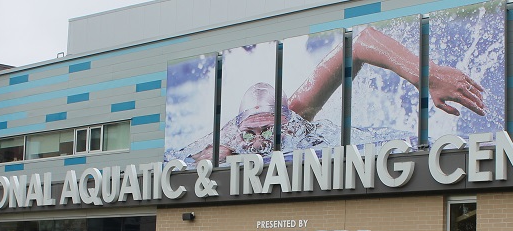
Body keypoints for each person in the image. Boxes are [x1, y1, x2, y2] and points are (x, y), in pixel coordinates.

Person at [183, 26, 486, 164]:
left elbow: (361, 41)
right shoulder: (226, 144)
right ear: (239, 132)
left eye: (270, 130)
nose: (260, 142)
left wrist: (425, 74)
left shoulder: (299, 110)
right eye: (250, 134)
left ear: (287, 122)